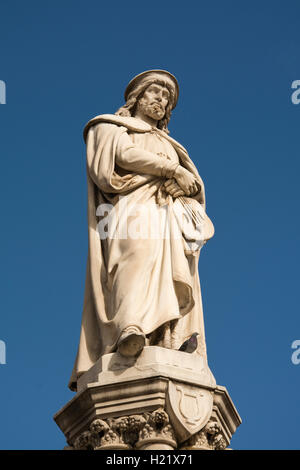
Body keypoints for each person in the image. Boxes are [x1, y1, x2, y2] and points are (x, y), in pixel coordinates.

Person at [68, 70, 214, 391]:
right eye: (156, 93)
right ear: (137, 97)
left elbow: (194, 187)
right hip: (131, 207)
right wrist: (170, 169)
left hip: (167, 215)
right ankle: (129, 326)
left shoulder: (171, 144)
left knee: (172, 272)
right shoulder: (112, 127)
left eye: (167, 98)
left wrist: (183, 187)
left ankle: (168, 336)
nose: (161, 101)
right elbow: (121, 157)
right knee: (135, 257)